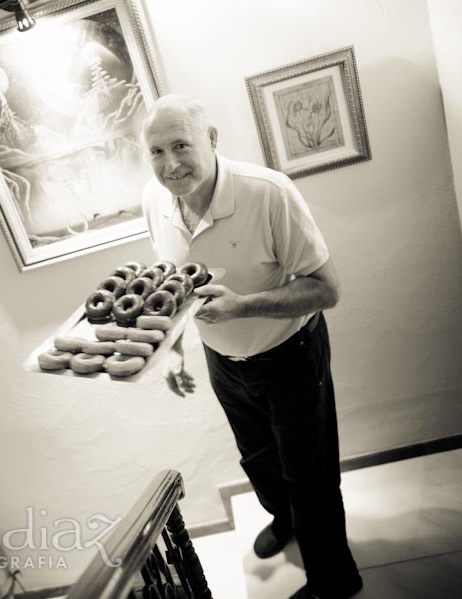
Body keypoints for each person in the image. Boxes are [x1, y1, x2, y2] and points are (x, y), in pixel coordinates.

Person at [140, 94, 362, 599]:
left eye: (182, 146)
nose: (170, 164)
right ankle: (285, 521)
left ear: (212, 140)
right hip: (223, 358)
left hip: (290, 352)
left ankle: (335, 579)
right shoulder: (155, 199)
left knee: (310, 471)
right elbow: (176, 283)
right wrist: (172, 350)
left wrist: (242, 306)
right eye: (156, 151)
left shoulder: (268, 192)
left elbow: (326, 289)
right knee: (258, 458)